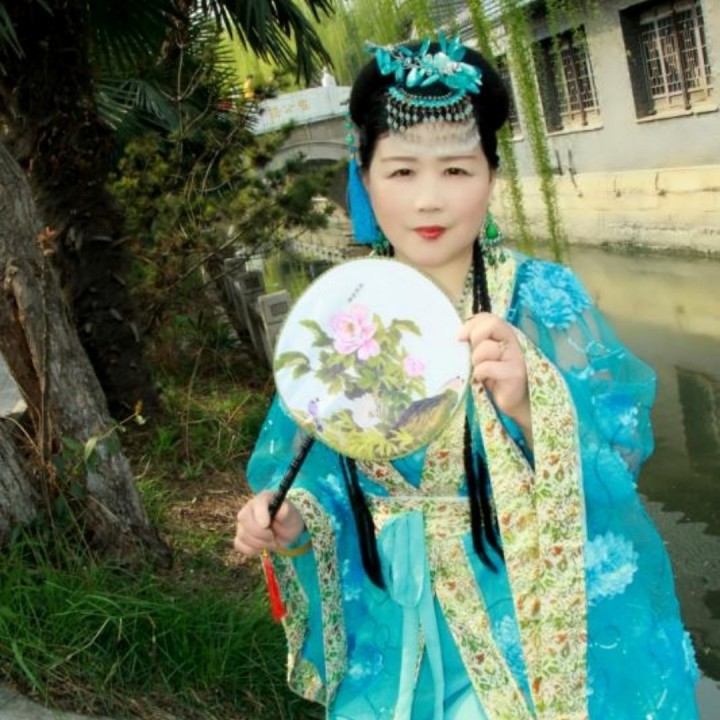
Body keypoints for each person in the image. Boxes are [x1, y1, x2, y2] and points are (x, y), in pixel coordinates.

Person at [234, 34, 700, 719]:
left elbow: (621, 449)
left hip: (527, 615)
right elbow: (315, 468)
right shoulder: (337, 317)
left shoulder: (542, 298)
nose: (429, 201)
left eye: (456, 170)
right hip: (393, 621)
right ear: (363, 177)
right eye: (401, 172)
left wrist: (534, 403)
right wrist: (291, 519)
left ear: (491, 174)